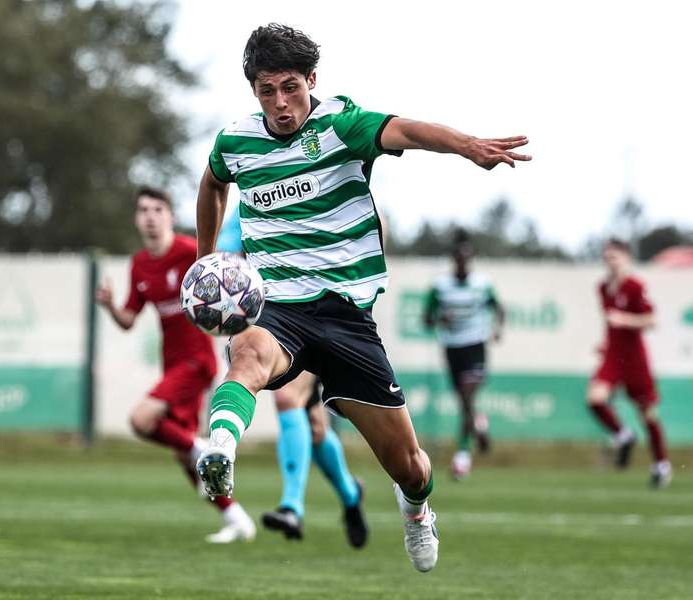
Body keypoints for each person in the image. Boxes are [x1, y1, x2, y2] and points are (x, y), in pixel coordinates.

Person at [194, 24, 531, 572]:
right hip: (279, 305)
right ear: (253, 92)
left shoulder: (341, 125)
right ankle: (221, 446)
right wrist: (207, 255)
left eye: (290, 88)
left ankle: (417, 509)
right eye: (266, 91)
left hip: (347, 318)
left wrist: (468, 147)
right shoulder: (236, 141)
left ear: (312, 80)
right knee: (247, 354)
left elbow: (409, 130)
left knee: (411, 466)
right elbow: (213, 181)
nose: (280, 103)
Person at [96, 187, 256, 543]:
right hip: (171, 365)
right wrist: (109, 306)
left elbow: (225, 279)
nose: (150, 216)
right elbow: (129, 319)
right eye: (143, 210)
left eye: (157, 209)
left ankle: (200, 447)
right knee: (183, 457)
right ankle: (237, 518)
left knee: (141, 420)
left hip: (196, 361)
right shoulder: (139, 263)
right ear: (137, 218)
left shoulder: (189, 252)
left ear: (170, 215)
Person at [217, 208, 369, 547]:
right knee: (315, 428)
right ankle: (350, 494)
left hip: (319, 316)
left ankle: (292, 508)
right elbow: (225, 258)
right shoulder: (246, 206)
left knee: (289, 399)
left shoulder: (319, 188)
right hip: (273, 324)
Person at [587, 238, 671, 488]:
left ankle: (661, 465)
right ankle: (624, 436)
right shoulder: (602, 288)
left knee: (648, 416)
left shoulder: (635, 286)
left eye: (614, 257)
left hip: (635, 359)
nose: (610, 262)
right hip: (613, 356)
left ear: (626, 258)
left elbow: (651, 320)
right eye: (606, 257)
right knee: (595, 399)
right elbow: (610, 324)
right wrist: (605, 345)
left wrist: (625, 320)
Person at [423, 231, 504, 480]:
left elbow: (498, 307)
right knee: (464, 402)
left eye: (466, 258)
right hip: (452, 348)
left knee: (468, 394)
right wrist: (439, 319)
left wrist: (498, 328)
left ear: (472, 259)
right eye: (459, 257)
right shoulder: (440, 287)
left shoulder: (482, 283)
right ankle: (477, 425)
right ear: (453, 259)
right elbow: (426, 320)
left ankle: (462, 457)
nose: (462, 262)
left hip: (475, 344)